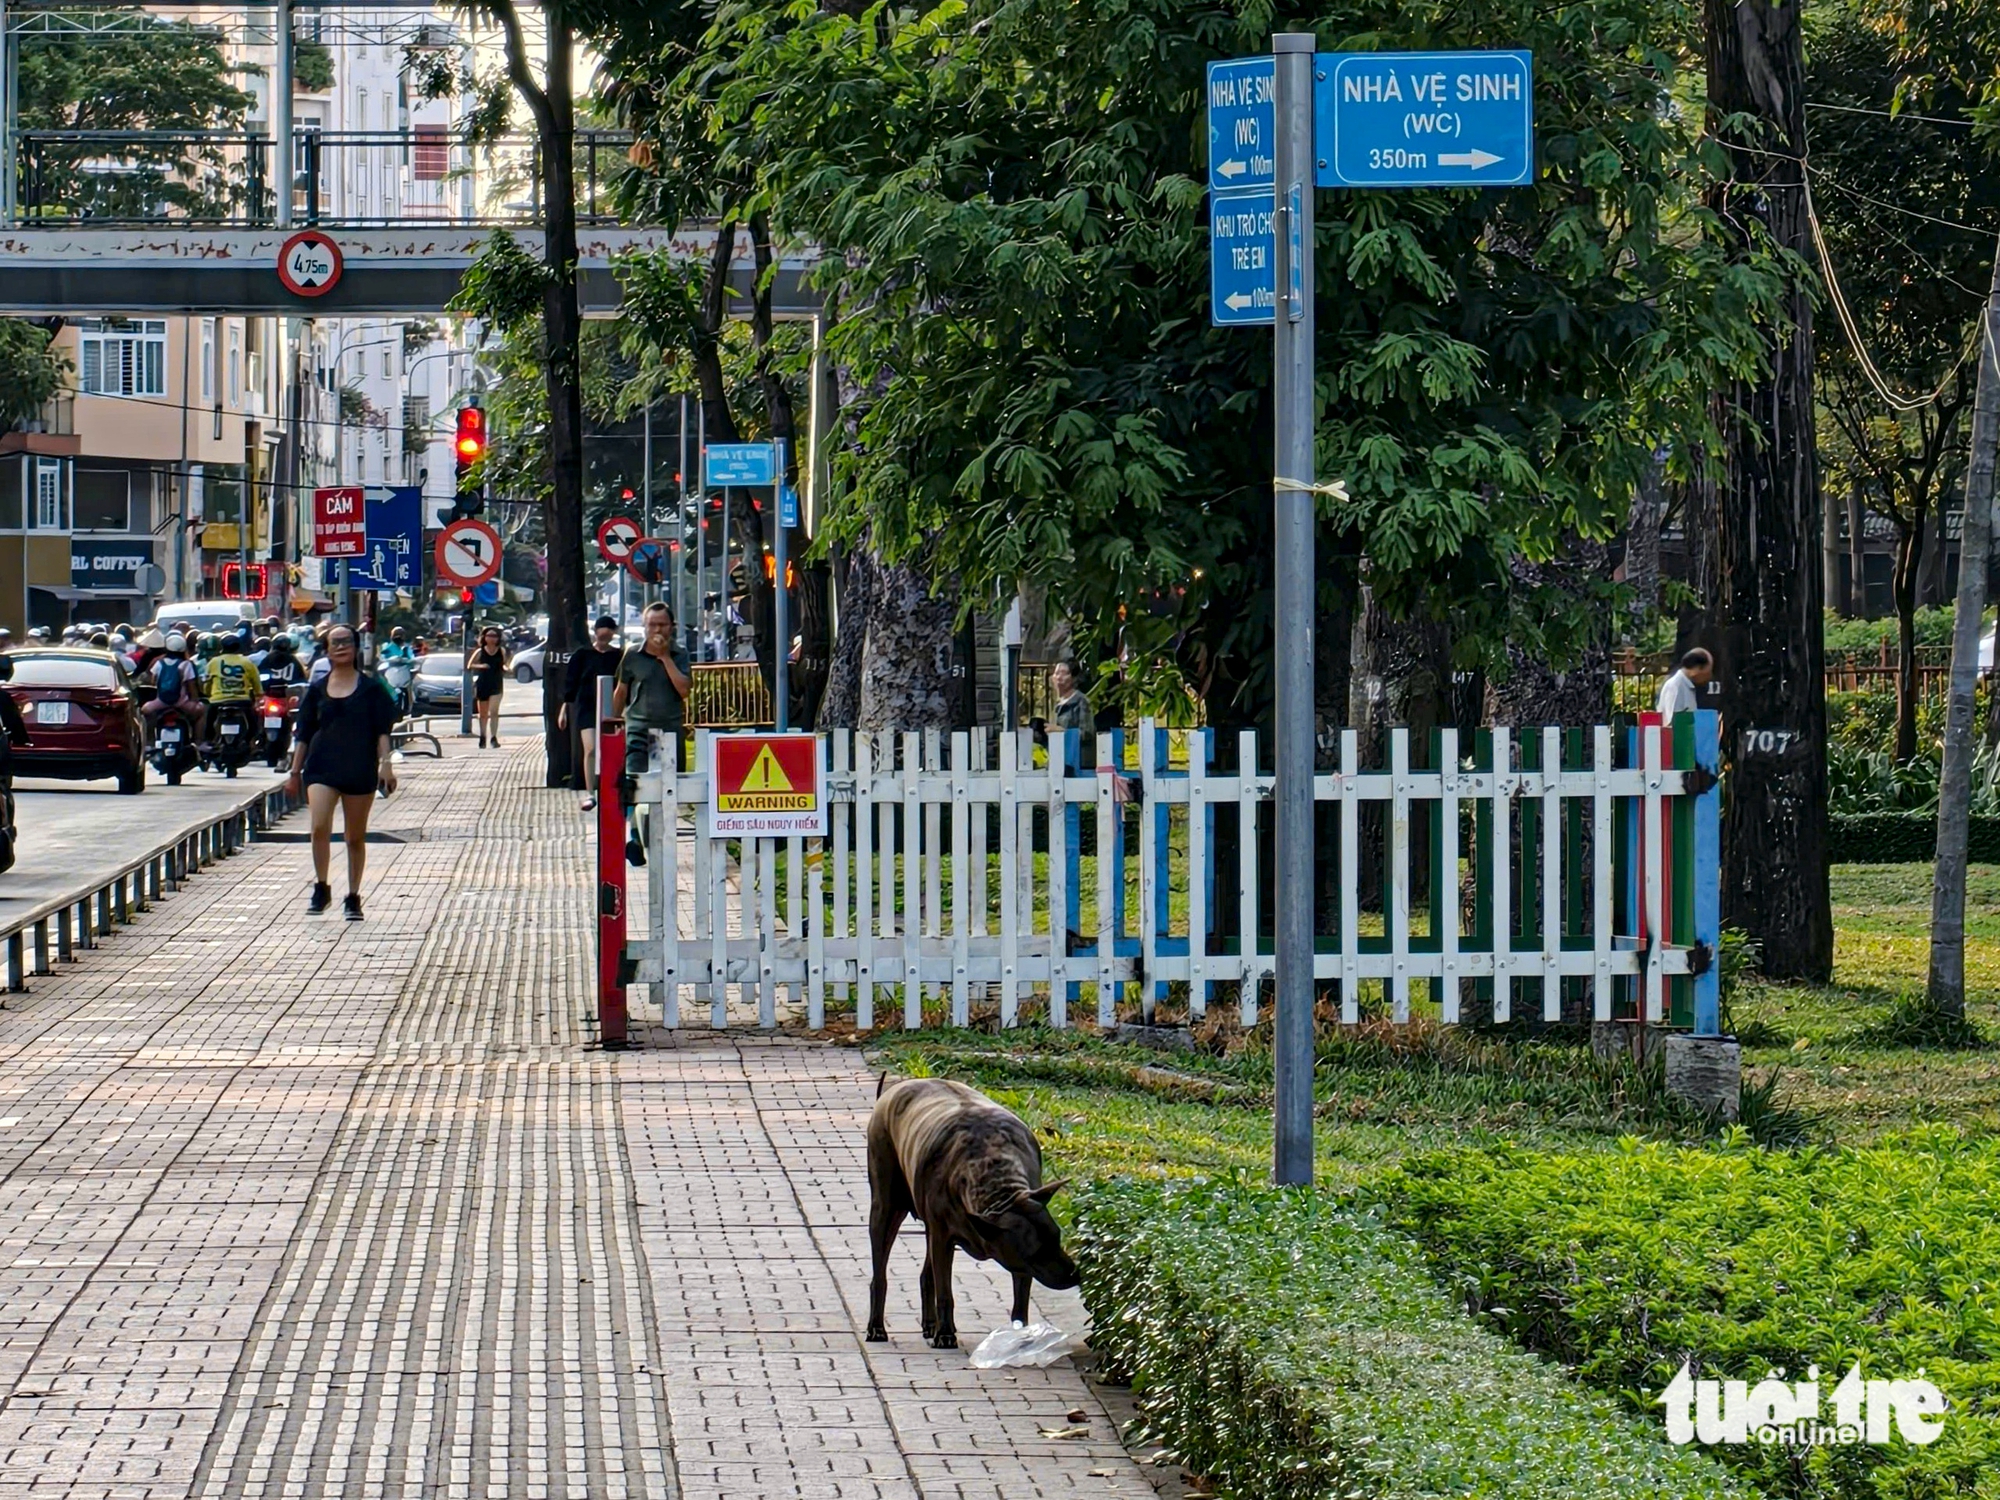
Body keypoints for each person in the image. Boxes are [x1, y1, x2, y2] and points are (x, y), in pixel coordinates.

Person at [286, 624, 398, 920]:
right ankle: (321, 887)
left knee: (354, 837)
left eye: (347, 641)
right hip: (321, 766)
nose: (341, 647)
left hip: (359, 767)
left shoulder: (372, 688)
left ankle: (353, 896)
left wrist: (386, 765)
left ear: (356, 647)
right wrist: (294, 772)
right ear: (327, 649)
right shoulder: (316, 690)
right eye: (335, 642)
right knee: (319, 827)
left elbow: (382, 731)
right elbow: (304, 735)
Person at [612, 601, 691, 866]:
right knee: (631, 784)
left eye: (662, 624)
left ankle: (661, 842)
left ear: (672, 627)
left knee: (667, 788)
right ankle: (634, 837)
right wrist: (613, 721)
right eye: (652, 624)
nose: (657, 629)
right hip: (637, 728)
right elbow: (622, 691)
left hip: (668, 731)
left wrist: (665, 658)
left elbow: (684, 690)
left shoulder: (680, 654)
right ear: (644, 627)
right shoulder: (632, 654)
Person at [561, 615, 622, 812]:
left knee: (612, 750)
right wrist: (564, 709)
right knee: (591, 748)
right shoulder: (582, 655)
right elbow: (570, 683)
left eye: (609, 630)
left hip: (613, 708)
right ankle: (590, 793)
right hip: (586, 706)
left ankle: (612, 789)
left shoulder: (619, 656)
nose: (605, 634)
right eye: (601, 630)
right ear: (595, 632)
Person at [143, 634, 206, 740]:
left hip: (161, 702)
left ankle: (149, 743)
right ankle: (198, 742)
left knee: (144, 712)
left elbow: (153, 683)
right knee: (201, 712)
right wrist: (196, 700)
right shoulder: (186, 664)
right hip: (182, 703)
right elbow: (191, 687)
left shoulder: (159, 663)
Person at [466, 625, 510, 748]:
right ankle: (483, 736)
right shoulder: (480, 651)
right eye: (489, 635)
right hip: (483, 683)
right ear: (484, 637)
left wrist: (507, 669)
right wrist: (482, 666)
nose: (492, 638)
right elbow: (470, 665)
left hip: (496, 683)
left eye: (494, 636)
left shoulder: (501, 651)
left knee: (494, 712)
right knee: (483, 713)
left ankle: (494, 737)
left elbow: (504, 664)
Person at [1656, 647, 1714, 720]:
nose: (1709, 677)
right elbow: (1671, 722)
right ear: (1697, 668)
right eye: (1708, 673)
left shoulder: (1686, 685)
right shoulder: (1675, 686)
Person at [1050, 659, 1093, 736]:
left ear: (1074, 678)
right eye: (1056, 673)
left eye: (1064, 673)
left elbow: (1087, 732)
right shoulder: (1056, 703)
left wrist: (1062, 732)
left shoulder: (1081, 701)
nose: (1059, 677)